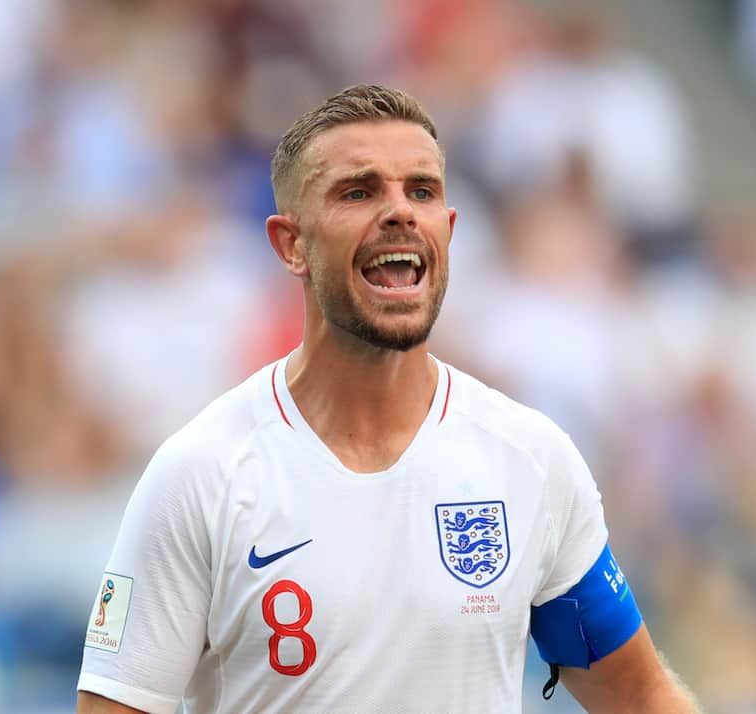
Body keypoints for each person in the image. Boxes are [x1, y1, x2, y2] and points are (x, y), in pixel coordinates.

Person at [75, 85, 698, 713]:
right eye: (359, 191)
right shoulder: (201, 473)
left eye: (421, 191)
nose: (399, 211)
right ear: (291, 244)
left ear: (448, 231)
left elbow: (638, 696)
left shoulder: (530, 459)